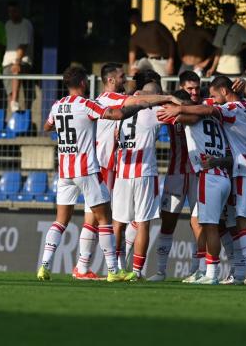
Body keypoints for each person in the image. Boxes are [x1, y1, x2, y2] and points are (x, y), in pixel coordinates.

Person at [38, 66, 150, 282]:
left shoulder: (57, 105)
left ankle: (44, 265)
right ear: (82, 83)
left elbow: (47, 126)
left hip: (65, 172)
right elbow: (115, 114)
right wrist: (139, 107)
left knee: (60, 221)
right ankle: (113, 271)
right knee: (105, 219)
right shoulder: (87, 104)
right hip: (87, 170)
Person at [159, 76, 246, 285]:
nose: (209, 98)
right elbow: (211, 106)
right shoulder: (243, 104)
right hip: (237, 171)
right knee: (229, 225)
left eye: (212, 94)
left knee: (215, 225)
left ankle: (215, 273)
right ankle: (241, 272)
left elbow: (201, 111)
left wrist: (174, 108)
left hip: (222, 174)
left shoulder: (208, 111)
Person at [72, 63, 181, 280]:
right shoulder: (125, 104)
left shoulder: (110, 105)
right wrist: (169, 98)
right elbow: (147, 102)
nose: (125, 80)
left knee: (115, 221)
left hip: (117, 169)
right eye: (122, 76)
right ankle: (117, 270)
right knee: (129, 222)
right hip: (116, 168)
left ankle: (110, 268)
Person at [156, 89, 232, 285]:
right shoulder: (215, 117)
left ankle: (211, 273)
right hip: (223, 175)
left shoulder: (191, 117)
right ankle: (210, 270)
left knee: (211, 227)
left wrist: (175, 109)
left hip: (209, 177)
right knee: (207, 224)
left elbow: (182, 115)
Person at [112, 80, 172, 280]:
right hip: (144, 173)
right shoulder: (154, 111)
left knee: (118, 223)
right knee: (143, 223)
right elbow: (180, 112)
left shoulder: (122, 110)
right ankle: (137, 272)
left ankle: (117, 268)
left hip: (122, 173)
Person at [2, 1, 36, 112]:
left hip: (23, 61)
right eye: (9, 12)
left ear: (20, 11)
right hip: (7, 62)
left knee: (16, 71)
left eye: (14, 11)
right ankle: (14, 110)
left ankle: (15, 100)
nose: (12, 14)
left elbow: (24, 45)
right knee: (8, 89)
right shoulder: (7, 25)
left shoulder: (26, 24)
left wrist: (17, 62)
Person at [206, 3, 246, 77]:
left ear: (233, 14)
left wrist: (240, 48)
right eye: (225, 12)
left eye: (228, 12)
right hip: (220, 68)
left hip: (234, 68)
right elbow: (218, 50)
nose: (226, 14)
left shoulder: (238, 28)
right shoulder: (220, 28)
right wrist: (213, 68)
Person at [128, 8, 176, 79]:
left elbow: (171, 41)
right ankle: (133, 89)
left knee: (164, 87)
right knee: (133, 72)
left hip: (163, 60)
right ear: (130, 20)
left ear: (140, 16)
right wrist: (131, 68)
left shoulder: (155, 25)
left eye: (136, 16)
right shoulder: (134, 37)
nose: (135, 19)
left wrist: (171, 61)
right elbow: (132, 55)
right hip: (149, 60)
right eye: (132, 17)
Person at [176, 5, 214, 77]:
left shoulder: (202, 32)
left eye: (191, 16)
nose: (189, 18)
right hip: (184, 67)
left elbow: (218, 48)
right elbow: (180, 52)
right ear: (184, 17)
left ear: (195, 17)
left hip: (198, 67)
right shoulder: (181, 35)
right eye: (187, 16)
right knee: (180, 87)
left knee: (197, 87)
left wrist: (205, 63)